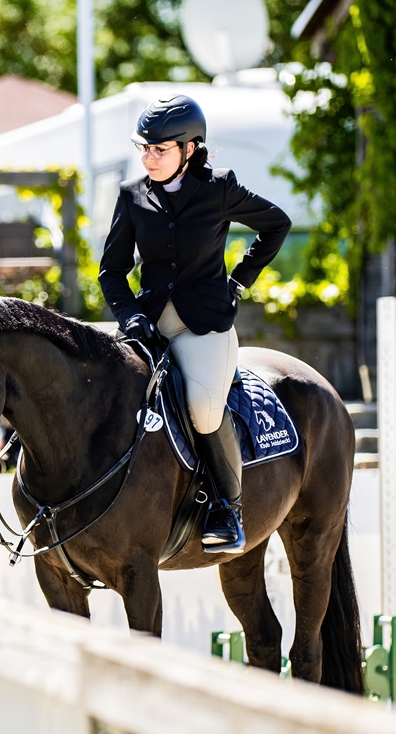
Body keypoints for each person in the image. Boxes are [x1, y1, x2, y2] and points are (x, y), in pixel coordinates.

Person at [98, 95, 292, 555]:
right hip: (147, 325)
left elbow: (276, 225)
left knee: (204, 409)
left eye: (158, 149)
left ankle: (229, 506)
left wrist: (239, 281)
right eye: (144, 148)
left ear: (189, 149)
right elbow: (111, 270)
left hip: (203, 326)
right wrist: (129, 316)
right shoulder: (131, 194)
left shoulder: (219, 188)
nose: (148, 157)